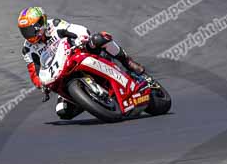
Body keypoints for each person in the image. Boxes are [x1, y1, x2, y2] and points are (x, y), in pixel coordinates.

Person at [17, 6, 145, 120]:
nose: (28, 35)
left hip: (79, 53)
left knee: (99, 38)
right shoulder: (27, 49)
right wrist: (41, 84)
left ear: (41, 22)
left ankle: (127, 61)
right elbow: (34, 73)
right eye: (25, 31)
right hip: (61, 74)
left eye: (30, 29)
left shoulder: (55, 25)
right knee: (63, 111)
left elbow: (78, 30)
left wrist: (82, 38)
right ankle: (87, 98)